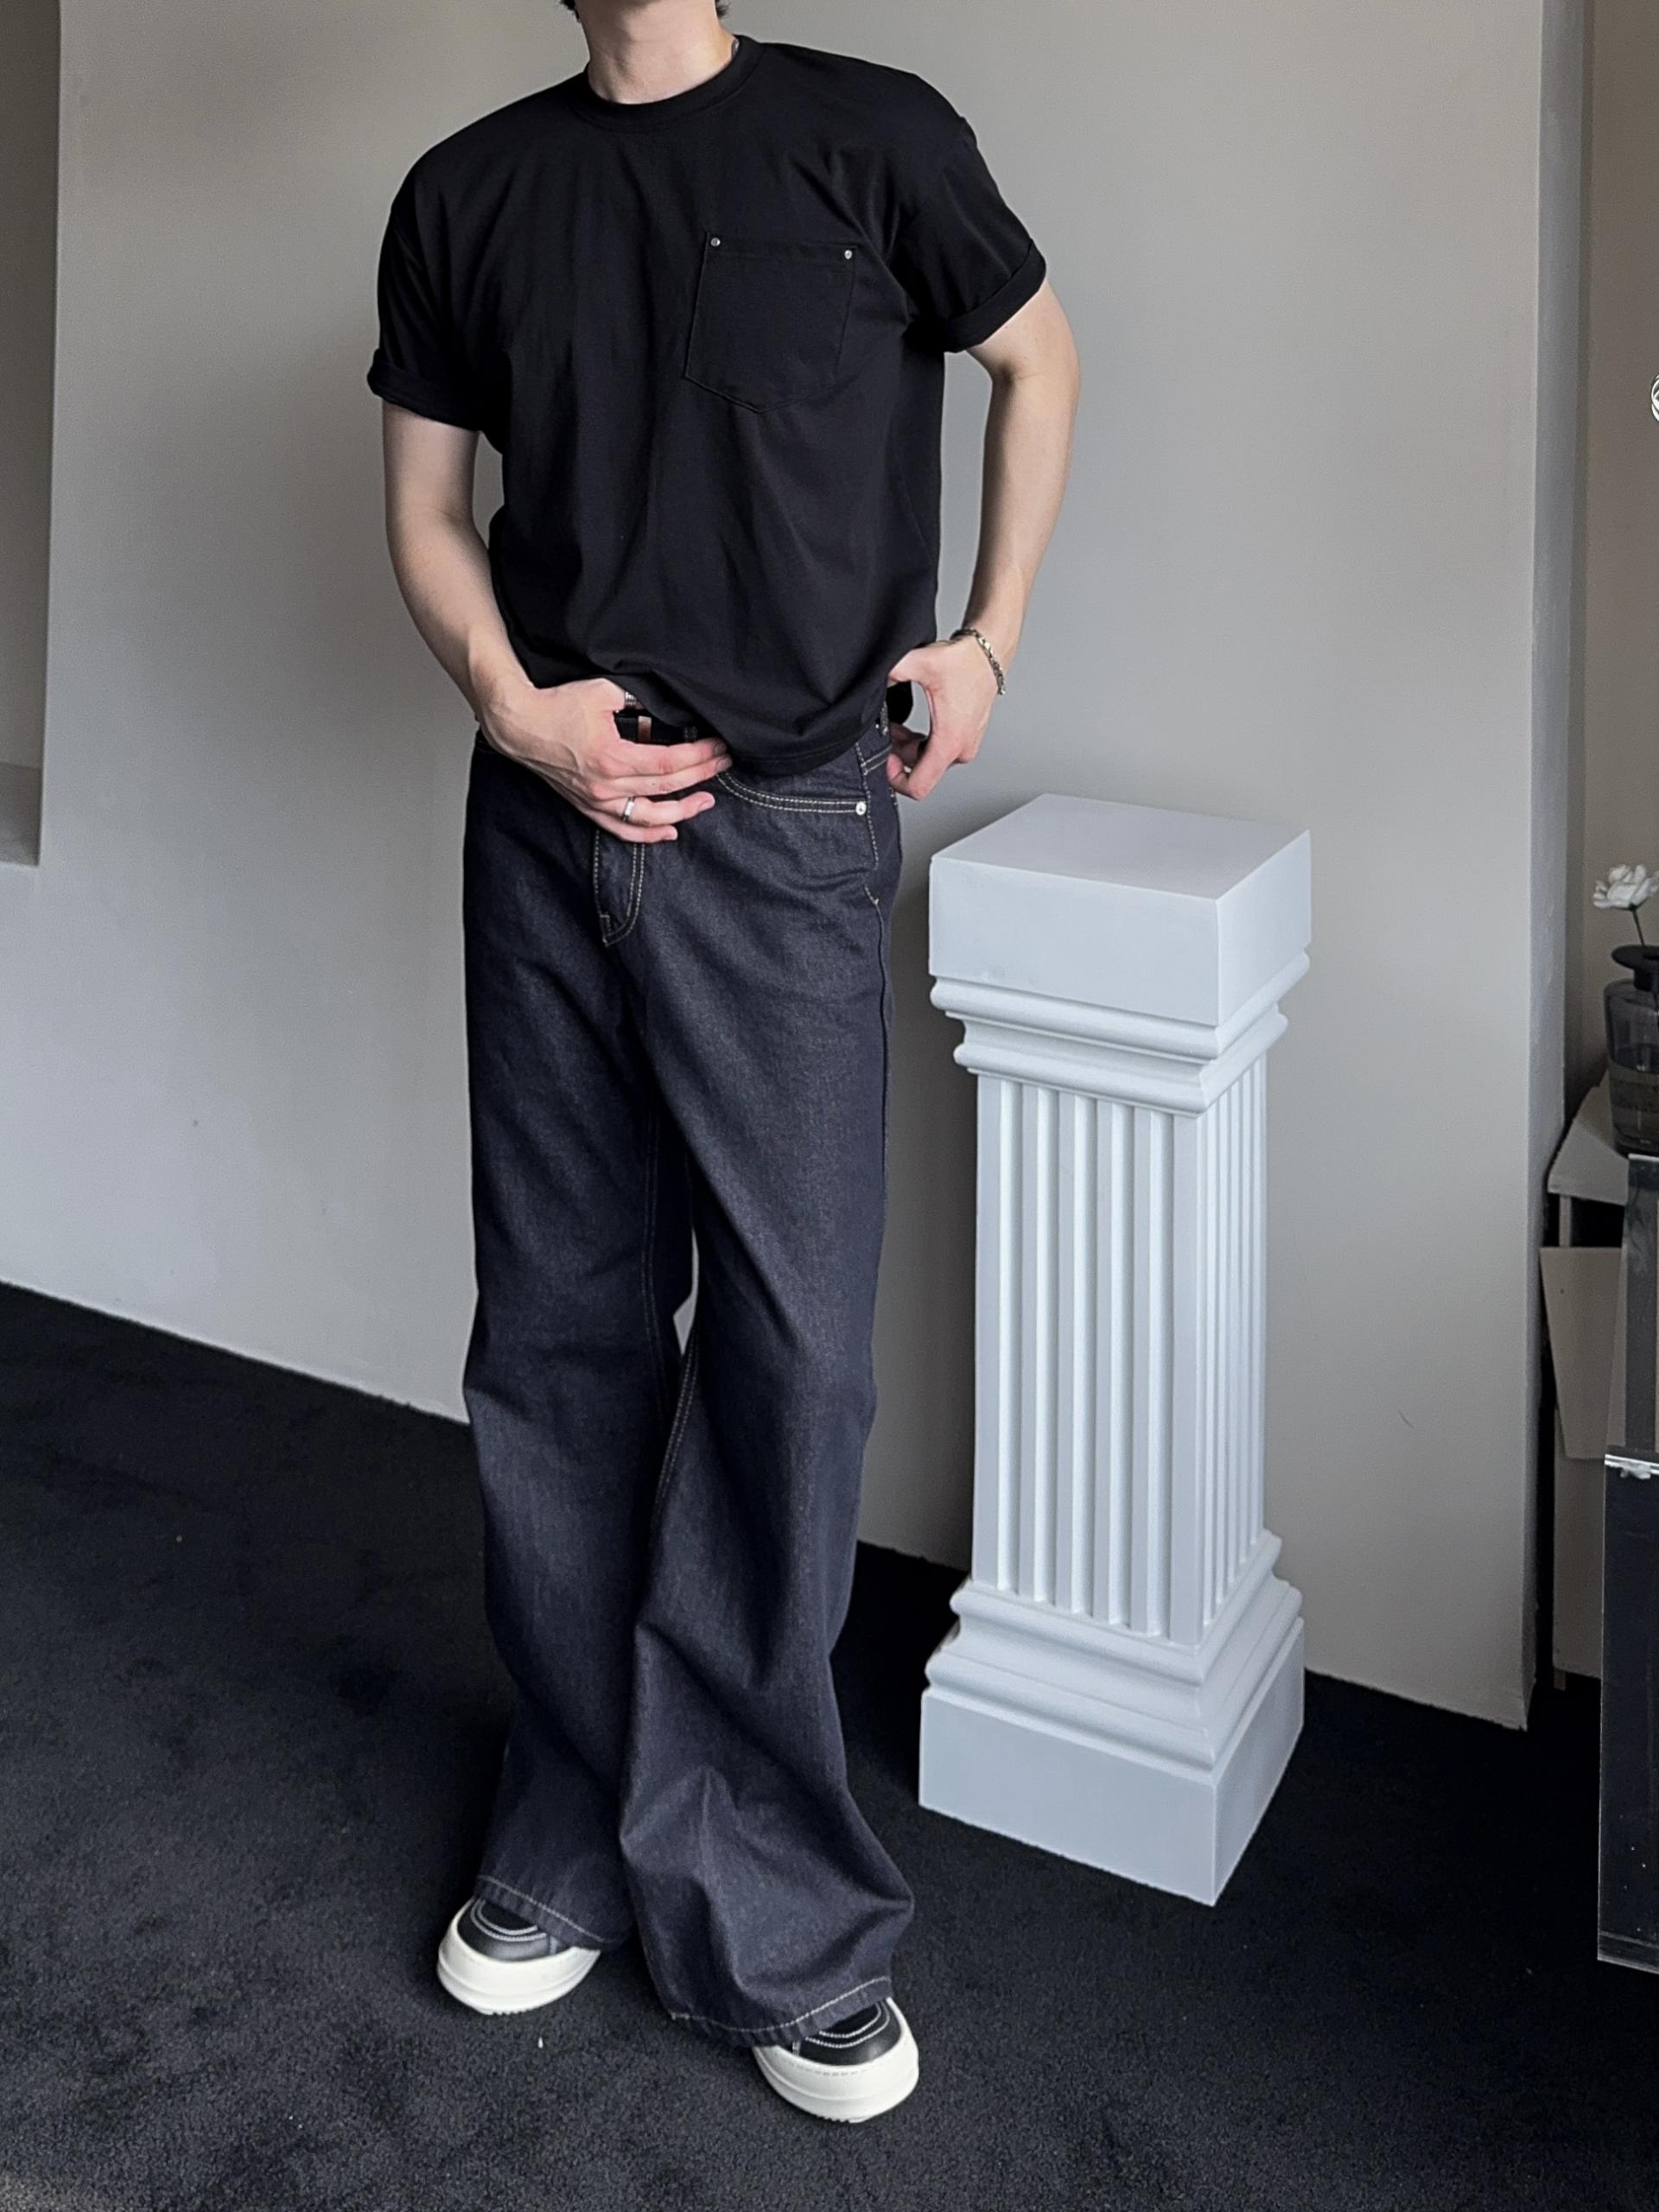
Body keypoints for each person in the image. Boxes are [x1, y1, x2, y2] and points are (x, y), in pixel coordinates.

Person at [366, 0, 1078, 2125]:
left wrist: (989, 637)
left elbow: (1040, 354)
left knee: (794, 1360)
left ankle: (771, 1902)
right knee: (560, 1332)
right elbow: (428, 508)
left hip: (786, 830)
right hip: (545, 825)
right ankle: (574, 1820)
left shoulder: (874, 139)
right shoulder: (469, 191)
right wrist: (513, 704)